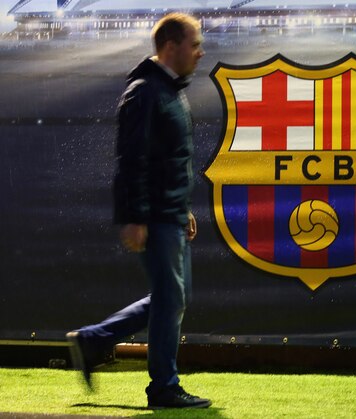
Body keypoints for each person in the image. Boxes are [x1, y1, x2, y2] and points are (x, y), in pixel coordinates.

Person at [66, 12, 209, 409]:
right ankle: (163, 387)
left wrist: (184, 209)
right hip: (156, 217)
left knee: (173, 297)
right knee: (170, 297)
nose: (201, 52)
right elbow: (132, 160)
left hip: (171, 214)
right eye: (194, 44)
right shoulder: (145, 92)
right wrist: (135, 216)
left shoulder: (169, 90)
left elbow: (169, 159)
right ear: (170, 46)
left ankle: (92, 340)